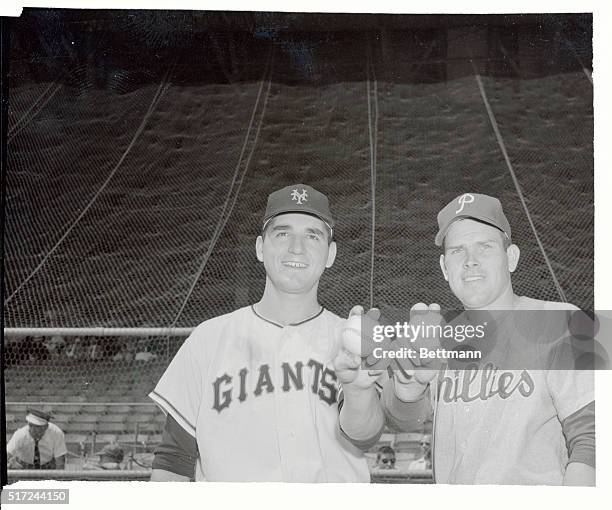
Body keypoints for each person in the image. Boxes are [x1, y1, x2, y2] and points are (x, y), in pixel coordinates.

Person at [148, 184, 385, 482]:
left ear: (330, 253)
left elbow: (364, 437)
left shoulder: (350, 343)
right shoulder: (208, 339)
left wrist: (359, 391)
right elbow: (174, 460)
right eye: (283, 234)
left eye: (313, 236)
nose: (296, 248)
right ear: (260, 247)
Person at [384, 193, 595, 485]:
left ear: (511, 258)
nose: (470, 261)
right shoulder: (439, 339)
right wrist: (410, 389)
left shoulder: (563, 322)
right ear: (445, 268)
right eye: (458, 251)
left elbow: (593, 440)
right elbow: (405, 420)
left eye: (484, 247)